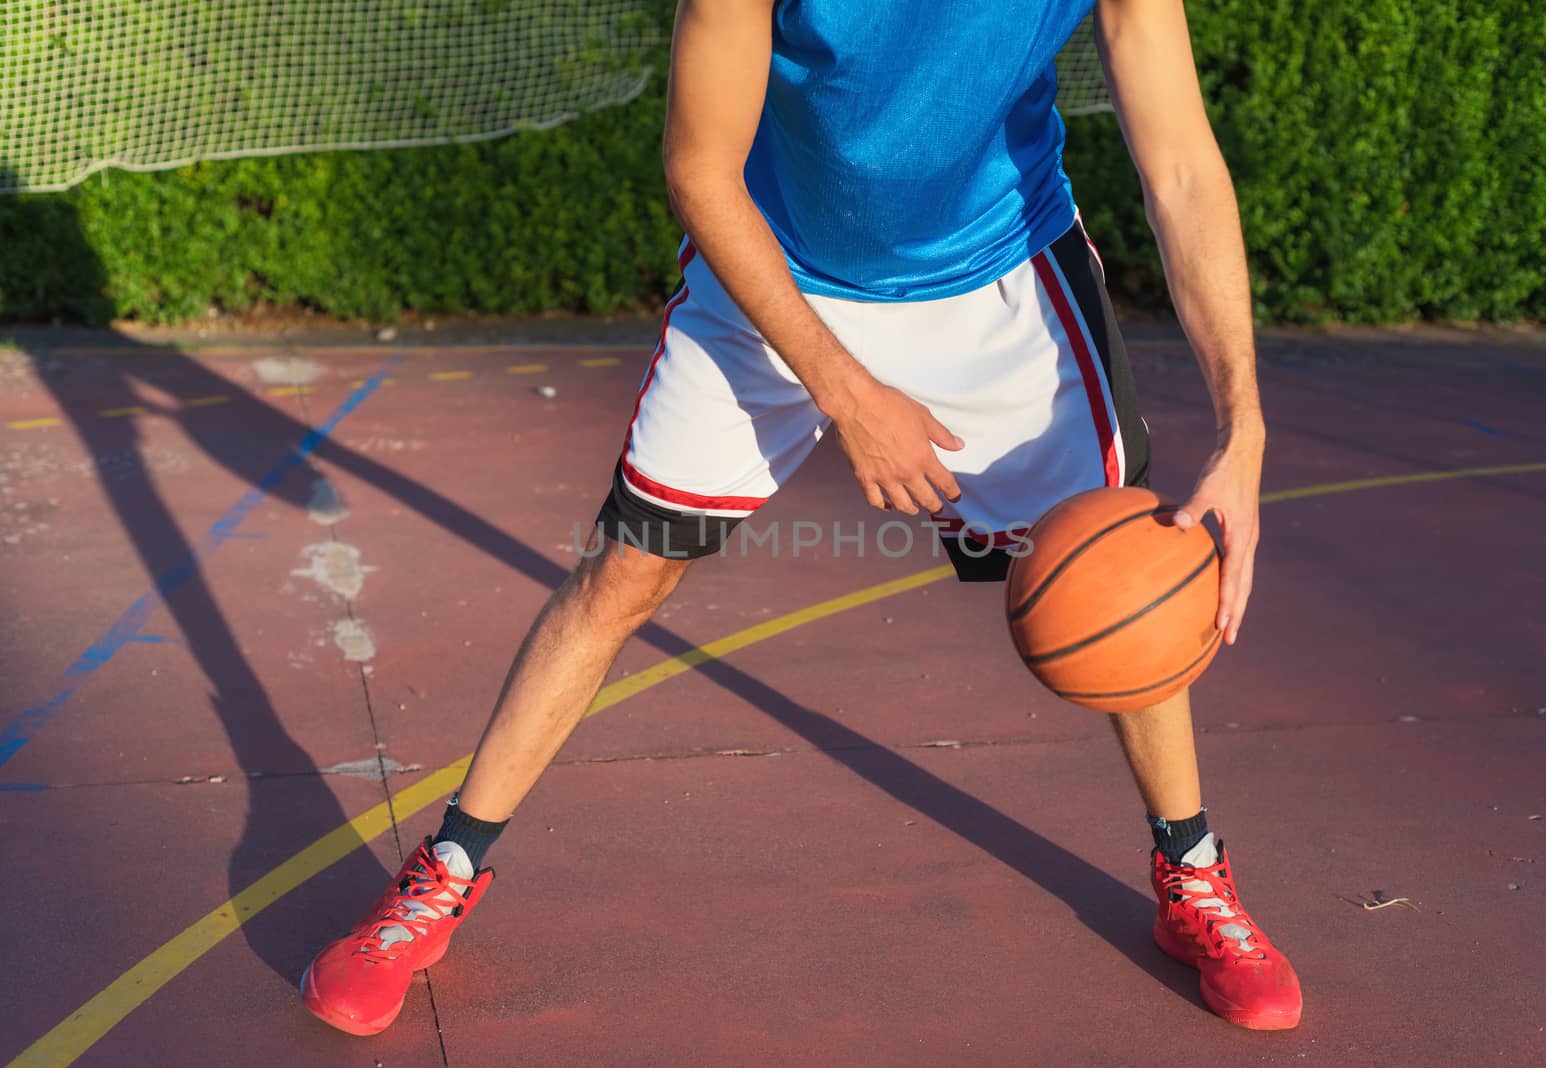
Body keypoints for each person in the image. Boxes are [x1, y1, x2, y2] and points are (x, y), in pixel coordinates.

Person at [301, 0, 1299, 1037]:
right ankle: (444, 870)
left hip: (1000, 277)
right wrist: (845, 390)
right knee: (625, 575)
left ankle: (1191, 878)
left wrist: (1246, 426)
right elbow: (699, 169)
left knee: (1129, 570)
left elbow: (1179, 162)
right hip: (771, 276)